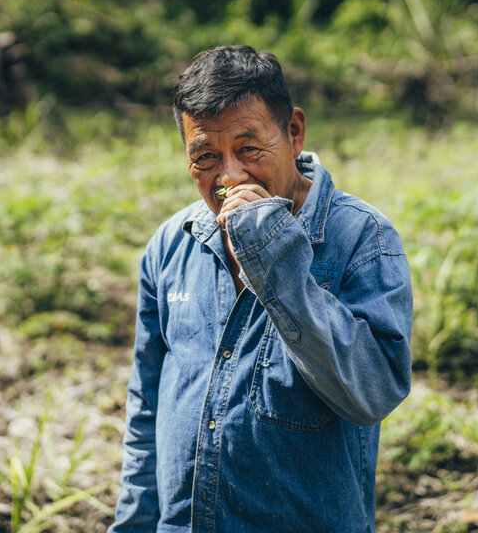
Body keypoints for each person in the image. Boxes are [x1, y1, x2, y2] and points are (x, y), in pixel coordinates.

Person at [110, 45, 413, 532]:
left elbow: (372, 393)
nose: (229, 177)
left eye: (249, 148)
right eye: (206, 156)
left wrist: (275, 261)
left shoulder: (362, 239)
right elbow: (147, 406)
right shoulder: (171, 245)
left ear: (293, 132)